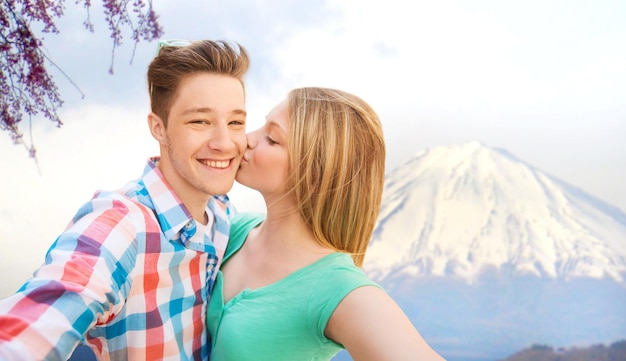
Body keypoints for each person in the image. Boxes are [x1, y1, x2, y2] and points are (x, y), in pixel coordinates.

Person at [0, 39, 250, 360]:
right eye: (199, 121)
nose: (223, 142)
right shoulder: (122, 223)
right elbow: (49, 308)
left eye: (236, 122)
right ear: (158, 128)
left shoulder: (222, 213)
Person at [206, 87, 446, 360]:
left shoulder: (337, 288)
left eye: (271, 139)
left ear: (314, 175)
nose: (246, 139)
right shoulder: (233, 230)